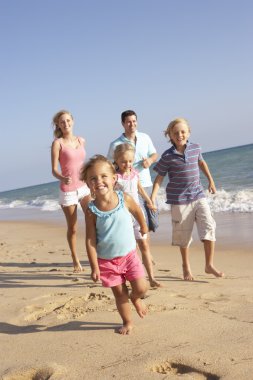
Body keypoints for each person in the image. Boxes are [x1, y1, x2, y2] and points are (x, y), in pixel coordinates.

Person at [80, 155, 148, 335]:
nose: (99, 181)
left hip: (129, 256)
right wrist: (94, 267)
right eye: (93, 178)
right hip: (107, 261)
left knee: (141, 288)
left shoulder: (124, 198)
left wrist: (143, 224)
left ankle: (136, 298)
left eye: (103, 176)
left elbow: (137, 210)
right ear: (88, 184)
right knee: (119, 294)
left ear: (114, 178)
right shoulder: (91, 211)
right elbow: (90, 240)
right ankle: (127, 321)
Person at [151, 117, 224, 281]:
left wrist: (211, 181)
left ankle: (209, 264)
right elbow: (159, 178)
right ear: (170, 135)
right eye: (175, 133)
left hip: (199, 195)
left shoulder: (196, 148)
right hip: (179, 201)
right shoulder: (167, 156)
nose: (180, 135)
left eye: (183, 131)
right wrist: (153, 197)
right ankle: (186, 266)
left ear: (188, 132)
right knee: (184, 237)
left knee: (209, 226)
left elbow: (202, 163)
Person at [113, 143, 161, 288]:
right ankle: (131, 278)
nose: (127, 164)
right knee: (129, 250)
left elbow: (140, 189)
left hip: (139, 215)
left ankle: (151, 278)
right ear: (116, 161)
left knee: (144, 246)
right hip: (123, 217)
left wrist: (149, 202)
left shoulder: (134, 173)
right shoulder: (115, 178)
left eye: (130, 161)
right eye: (123, 161)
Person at [51, 110, 91, 273]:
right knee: (73, 227)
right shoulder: (57, 143)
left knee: (92, 222)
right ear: (58, 125)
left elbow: (83, 164)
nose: (65, 124)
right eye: (62, 122)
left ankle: (93, 255)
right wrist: (61, 177)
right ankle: (75, 259)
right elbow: (54, 169)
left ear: (72, 121)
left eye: (68, 120)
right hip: (68, 190)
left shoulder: (81, 140)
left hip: (84, 187)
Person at [107, 110, 158, 230]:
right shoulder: (115, 144)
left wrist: (150, 160)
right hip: (130, 188)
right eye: (128, 122)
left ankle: (144, 243)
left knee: (154, 222)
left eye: (134, 121)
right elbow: (109, 166)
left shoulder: (145, 137)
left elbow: (154, 154)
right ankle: (144, 246)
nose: (132, 124)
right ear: (123, 124)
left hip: (147, 184)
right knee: (141, 222)